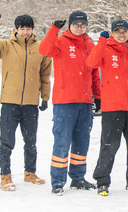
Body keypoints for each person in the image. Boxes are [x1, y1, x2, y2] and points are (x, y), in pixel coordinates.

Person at [0, 11, 52, 191]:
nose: (25, 32)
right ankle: (5, 176)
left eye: (28, 29)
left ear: (33, 29)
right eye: (22, 29)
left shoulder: (40, 48)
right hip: (10, 102)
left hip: (30, 103)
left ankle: (30, 173)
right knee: (7, 141)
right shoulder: (6, 46)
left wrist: (45, 97)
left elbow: (45, 75)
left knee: (31, 140)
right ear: (16, 29)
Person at [39, 11, 102, 195]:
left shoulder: (90, 45)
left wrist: (97, 97)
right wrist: (53, 29)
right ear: (70, 25)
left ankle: (78, 178)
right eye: (76, 24)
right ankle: (58, 181)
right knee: (62, 142)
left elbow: (94, 74)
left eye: (83, 24)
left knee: (82, 143)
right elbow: (44, 50)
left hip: (84, 102)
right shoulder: (60, 41)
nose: (80, 27)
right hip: (64, 102)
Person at [86, 19, 128, 196]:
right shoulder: (105, 49)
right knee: (109, 145)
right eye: (118, 31)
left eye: (124, 31)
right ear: (112, 33)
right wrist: (101, 41)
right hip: (112, 107)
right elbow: (91, 63)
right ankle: (102, 181)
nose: (122, 34)